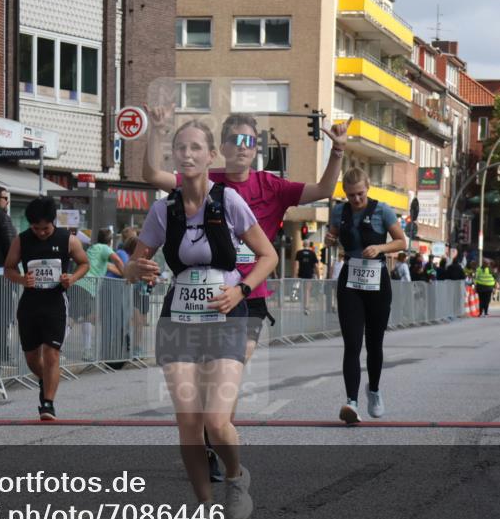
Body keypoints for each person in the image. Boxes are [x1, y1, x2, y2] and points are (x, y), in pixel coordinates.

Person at [125, 118, 277, 519]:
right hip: (179, 320)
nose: (188, 154)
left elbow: (268, 256)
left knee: (215, 420)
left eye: (196, 148)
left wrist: (242, 290)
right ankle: (204, 506)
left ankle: (235, 477)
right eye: (181, 148)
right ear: (175, 157)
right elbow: (132, 267)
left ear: (211, 156)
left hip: (227, 317)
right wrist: (139, 268)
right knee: (189, 422)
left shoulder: (228, 201)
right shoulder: (164, 208)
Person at [143, 107, 349, 361]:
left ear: (255, 149)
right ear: (222, 148)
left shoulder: (272, 186)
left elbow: (323, 189)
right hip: (208, 293)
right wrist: (155, 131)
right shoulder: (203, 178)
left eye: (249, 141)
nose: (242, 147)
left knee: (234, 361)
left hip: (250, 291)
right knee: (203, 367)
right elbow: (153, 175)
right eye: (235, 140)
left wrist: (338, 152)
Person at [326, 167, 408, 423]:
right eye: (351, 195)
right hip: (350, 279)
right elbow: (334, 236)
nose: (356, 200)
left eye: (360, 194)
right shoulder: (339, 211)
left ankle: (373, 390)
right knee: (352, 343)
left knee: (374, 344)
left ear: (368, 187)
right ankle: (351, 402)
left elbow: (402, 242)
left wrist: (380, 247)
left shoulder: (382, 210)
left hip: (377, 281)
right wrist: (330, 239)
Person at [3, 196, 89, 420]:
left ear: (54, 222)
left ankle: (48, 404)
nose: (41, 232)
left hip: (55, 302)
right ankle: (47, 380)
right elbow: (8, 268)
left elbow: (84, 263)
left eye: (46, 228)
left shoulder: (67, 239)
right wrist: (22, 280)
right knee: (32, 358)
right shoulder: (21, 240)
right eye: (36, 228)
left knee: (51, 353)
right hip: (30, 303)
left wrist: (72, 277)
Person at [71, 228, 125, 361]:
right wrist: (128, 275)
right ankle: (56, 348)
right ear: (110, 241)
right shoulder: (104, 249)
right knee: (72, 318)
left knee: (88, 318)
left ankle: (87, 350)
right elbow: (117, 261)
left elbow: (113, 268)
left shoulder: (94, 250)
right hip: (86, 286)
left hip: (81, 285)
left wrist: (125, 275)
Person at [294, 240, 320, 313]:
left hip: (301, 275)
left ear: (303, 244)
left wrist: (294, 276)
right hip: (309, 275)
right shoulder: (312, 253)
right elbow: (316, 266)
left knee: (302, 290)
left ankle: (302, 306)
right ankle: (306, 307)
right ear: (309, 245)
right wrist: (318, 276)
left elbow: (296, 265)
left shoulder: (299, 253)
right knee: (307, 291)